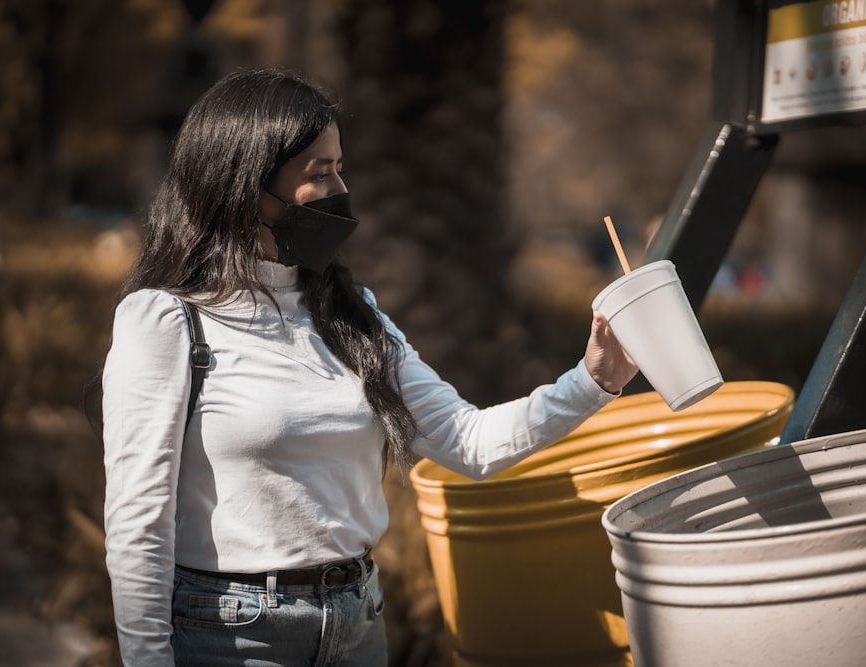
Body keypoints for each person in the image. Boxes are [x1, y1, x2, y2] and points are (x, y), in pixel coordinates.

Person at [100, 68, 637, 667]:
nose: (340, 188)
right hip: (231, 634)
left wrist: (595, 378)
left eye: (340, 166)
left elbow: (470, 441)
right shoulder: (165, 322)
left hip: (358, 624)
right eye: (319, 172)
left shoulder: (355, 317)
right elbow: (138, 522)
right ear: (244, 185)